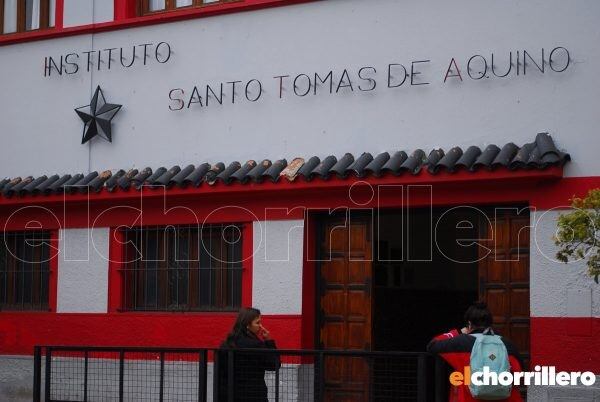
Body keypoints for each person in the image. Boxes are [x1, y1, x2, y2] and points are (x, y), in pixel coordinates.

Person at [426, 302, 524, 402]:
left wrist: (457, 332)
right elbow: (519, 373)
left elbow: (432, 345)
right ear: (490, 324)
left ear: (469, 324)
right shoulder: (507, 345)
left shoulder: (460, 343)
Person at [217, 307, 280, 402]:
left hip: (229, 394)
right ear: (247, 325)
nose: (260, 326)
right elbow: (274, 364)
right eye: (257, 323)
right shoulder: (255, 345)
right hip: (253, 394)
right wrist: (269, 341)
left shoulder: (227, 343)